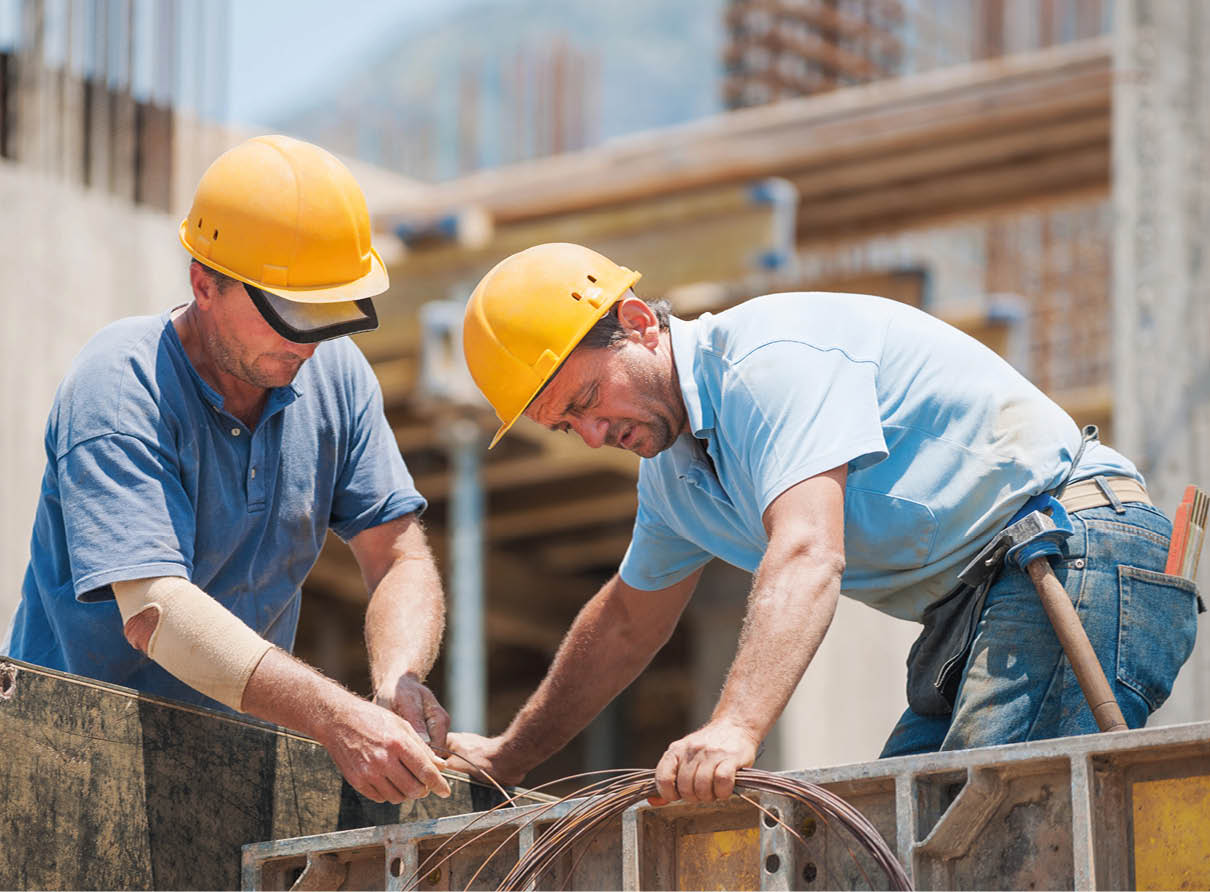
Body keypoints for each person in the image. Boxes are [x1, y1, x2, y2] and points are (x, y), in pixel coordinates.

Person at [446, 242, 1200, 804]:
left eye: (585, 400)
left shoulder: (768, 362)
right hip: (989, 602)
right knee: (887, 847)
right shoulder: (675, 479)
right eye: (564, 427)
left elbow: (808, 552)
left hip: (1079, 553)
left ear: (639, 324)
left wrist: (735, 727)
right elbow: (624, 626)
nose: (591, 433)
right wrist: (509, 758)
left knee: (987, 837)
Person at [4, 135, 451, 804]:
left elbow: (398, 557)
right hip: (67, 766)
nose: (306, 340)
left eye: (326, 313)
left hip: (229, 770)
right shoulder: (122, 384)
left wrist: (399, 683)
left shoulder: (336, 377)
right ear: (203, 284)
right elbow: (157, 612)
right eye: (287, 313)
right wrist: (335, 717)